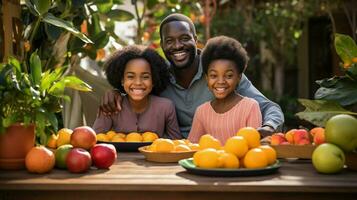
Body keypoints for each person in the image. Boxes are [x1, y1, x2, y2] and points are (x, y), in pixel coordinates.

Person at [100, 13, 284, 139]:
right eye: (169, 41)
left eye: (184, 38)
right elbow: (136, 87)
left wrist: (268, 128)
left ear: (196, 40)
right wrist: (117, 92)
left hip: (222, 152)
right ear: (162, 46)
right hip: (175, 154)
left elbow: (269, 107)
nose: (178, 46)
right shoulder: (158, 76)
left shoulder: (220, 74)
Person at [92, 45, 182, 139]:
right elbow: (94, 139)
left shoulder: (166, 107)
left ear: (154, 80)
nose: (138, 83)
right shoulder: (111, 105)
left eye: (145, 77)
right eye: (130, 76)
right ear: (122, 80)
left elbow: (177, 143)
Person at [188, 36, 262, 144]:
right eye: (213, 75)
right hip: (210, 161)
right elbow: (192, 147)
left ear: (239, 78)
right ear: (206, 78)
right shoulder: (201, 112)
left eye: (228, 75)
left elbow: (254, 148)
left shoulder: (250, 107)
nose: (221, 81)